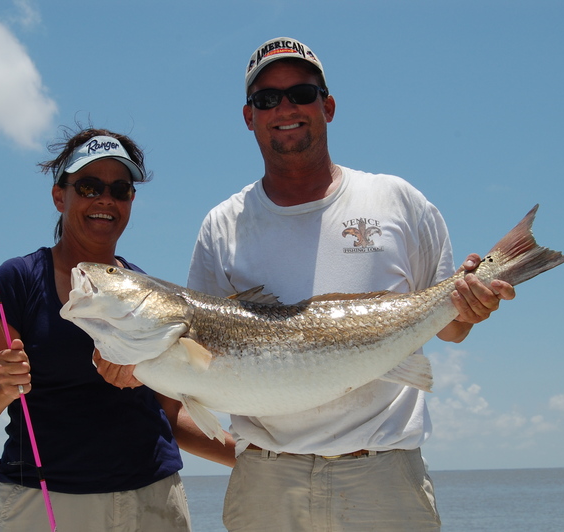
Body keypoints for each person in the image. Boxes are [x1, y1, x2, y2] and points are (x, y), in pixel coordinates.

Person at [183, 38, 516, 531]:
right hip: (266, 483)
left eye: (301, 92)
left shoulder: (397, 200)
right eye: (267, 99)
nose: (285, 108)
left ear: (328, 106)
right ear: (249, 116)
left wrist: (469, 304)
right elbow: (202, 353)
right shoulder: (222, 225)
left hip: (384, 477)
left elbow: (449, 330)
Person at [0, 127, 235, 532]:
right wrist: (1, 385)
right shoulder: (17, 280)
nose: (105, 198)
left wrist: (257, 457)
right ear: (59, 196)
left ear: (130, 202)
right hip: (45, 502)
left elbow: (171, 417)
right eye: (88, 186)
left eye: (120, 189)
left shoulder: (146, 288)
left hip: (153, 499)